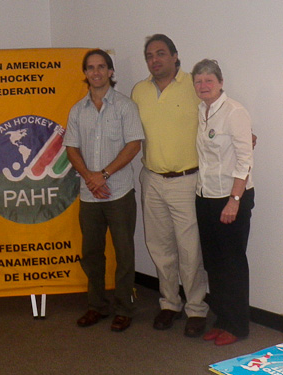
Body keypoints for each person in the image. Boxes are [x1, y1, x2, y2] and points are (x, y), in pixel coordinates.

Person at [131, 34, 209, 337]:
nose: (155, 60)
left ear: (175, 56)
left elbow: (215, 110)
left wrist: (240, 134)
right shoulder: (139, 91)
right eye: (149, 55)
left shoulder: (193, 84)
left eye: (161, 53)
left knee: (189, 249)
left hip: (186, 181)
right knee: (160, 247)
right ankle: (170, 304)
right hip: (151, 179)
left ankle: (197, 309)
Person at [63, 49, 144, 332]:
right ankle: (96, 306)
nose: (96, 72)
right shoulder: (77, 110)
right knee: (92, 254)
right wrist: (90, 178)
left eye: (101, 67)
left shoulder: (125, 106)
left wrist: (104, 175)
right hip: (89, 195)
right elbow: (71, 148)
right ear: (85, 73)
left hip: (119, 193)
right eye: (90, 68)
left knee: (124, 253)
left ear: (110, 71)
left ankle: (124, 308)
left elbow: (134, 144)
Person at [192, 59, 254, 346]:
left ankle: (238, 325)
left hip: (232, 198)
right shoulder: (201, 110)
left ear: (220, 82)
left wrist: (234, 200)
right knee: (214, 263)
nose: (203, 86)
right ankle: (222, 318)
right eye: (198, 81)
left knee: (232, 264)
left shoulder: (234, 111)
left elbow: (245, 160)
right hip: (205, 196)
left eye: (208, 80)